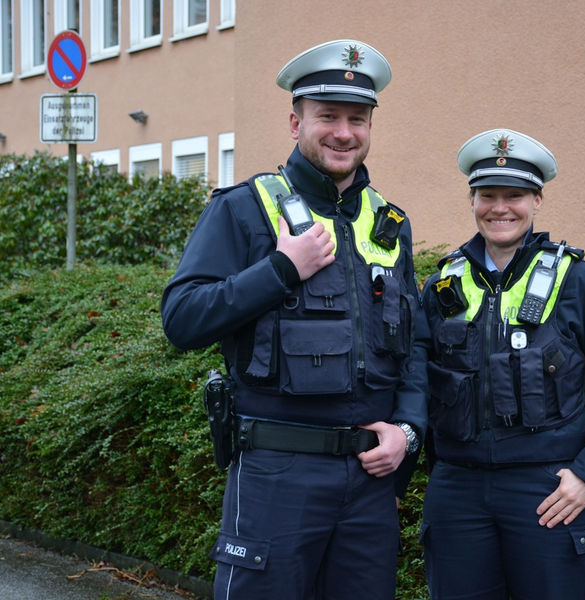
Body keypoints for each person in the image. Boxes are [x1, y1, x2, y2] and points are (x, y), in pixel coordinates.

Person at [161, 39, 427, 600]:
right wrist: (282, 268)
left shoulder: (389, 223)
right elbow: (182, 319)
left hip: (370, 480)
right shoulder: (243, 208)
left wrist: (408, 430)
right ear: (294, 121)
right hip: (277, 474)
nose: (343, 132)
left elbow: (416, 346)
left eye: (358, 118)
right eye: (327, 116)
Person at [418, 129, 585, 600]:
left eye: (515, 195)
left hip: (549, 491)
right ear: (472, 200)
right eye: (487, 195)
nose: (499, 208)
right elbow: (413, 383)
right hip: (457, 490)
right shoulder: (441, 285)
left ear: (538, 200)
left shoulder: (582, 283)